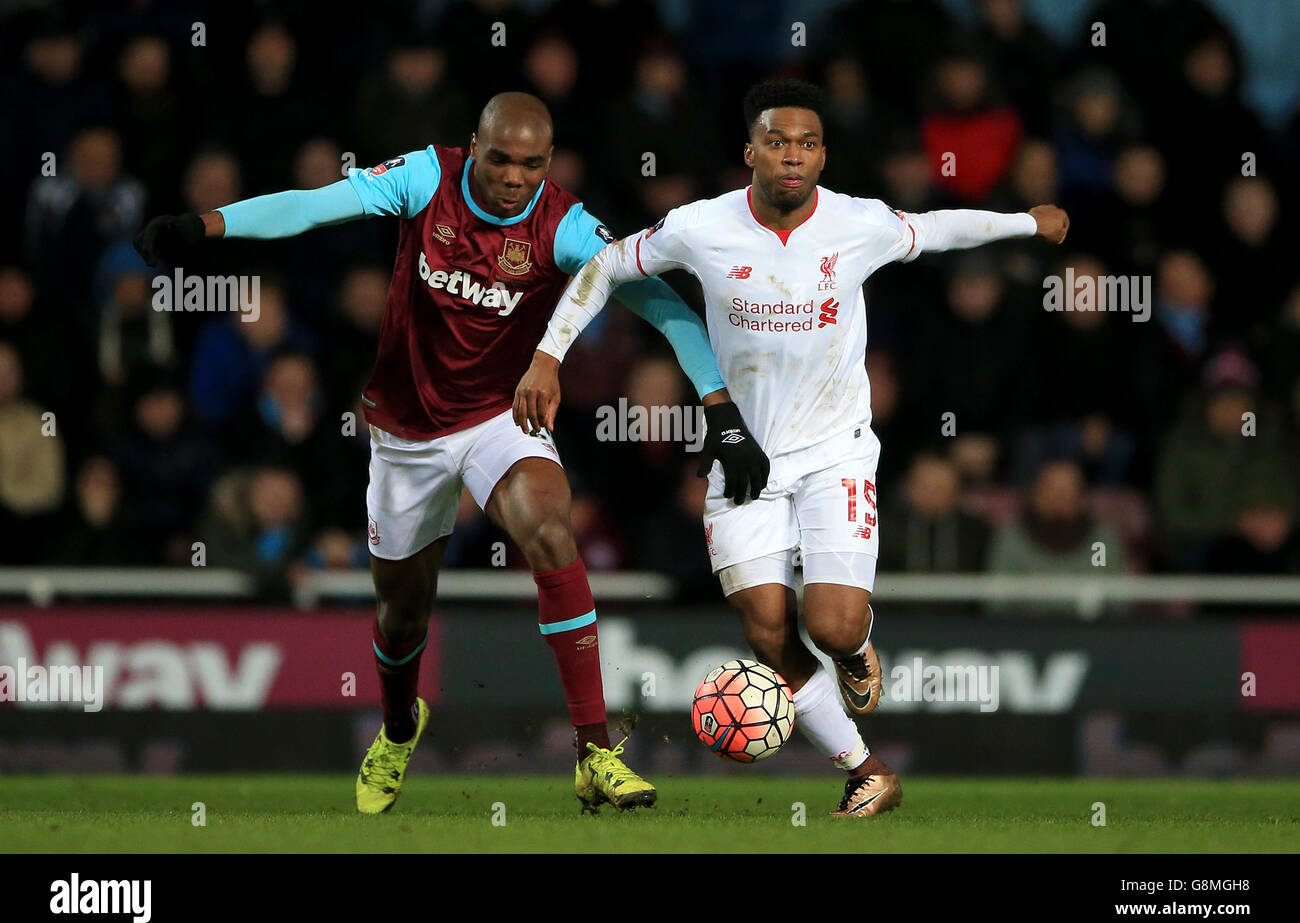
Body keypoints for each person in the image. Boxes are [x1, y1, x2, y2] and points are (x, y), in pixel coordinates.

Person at [134, 91, 770, 814]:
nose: (511, 176)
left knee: (548, 526)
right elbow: (313, 206)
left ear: (548, 163)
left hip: (500, 417)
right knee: (401, 614)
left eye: (531, 164)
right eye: (499, 158)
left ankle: (594, 751)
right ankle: (400, 726)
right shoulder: (425, 179)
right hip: (405, 433)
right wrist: (207, 226)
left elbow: (662, 304)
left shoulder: (562, 224)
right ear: (475, 146)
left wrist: (719, 408)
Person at [516, 79, 1068, 817]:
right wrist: (548, 356)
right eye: (777, 141)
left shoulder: (857, 223)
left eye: (807, 143)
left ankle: (855, 646)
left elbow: (937, 227)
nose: (792, 155)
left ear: (822, 155)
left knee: (831, 624)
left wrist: (1025, 224)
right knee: (767, 629)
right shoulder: (699, 226)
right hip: (744, 460)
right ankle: (868, 770)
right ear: (751, 151)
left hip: (835, 452)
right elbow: (608, 265)